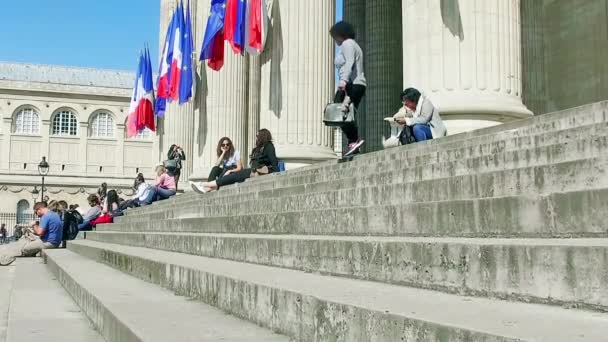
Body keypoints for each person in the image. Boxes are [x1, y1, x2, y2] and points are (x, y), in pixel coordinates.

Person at [190, 129, 279, 193]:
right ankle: (208, 187)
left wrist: (277, 173)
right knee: (218, 170)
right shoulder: (256, 149)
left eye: (257, 136)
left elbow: (274, 161)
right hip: (253, 171)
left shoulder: (269, 146)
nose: (256, 138)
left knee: (234, 175)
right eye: (223, 144)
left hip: (259, 171)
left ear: (262, 137)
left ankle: (204, 184)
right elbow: (216, 165)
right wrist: (223, 153)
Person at [330, 20, 367, 157]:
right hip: (356, 85)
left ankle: (354, 140)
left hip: (352, 84)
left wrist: (343, 80)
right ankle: (353, 142)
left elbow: (350, 62)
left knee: (340, 113)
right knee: (344, 114)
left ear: (340, 34)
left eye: (334, 36)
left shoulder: (347, 44)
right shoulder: (354, 45)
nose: (334, 40)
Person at [0, 202, 63, 266]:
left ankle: (6, 260)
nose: (37, 215)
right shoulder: (54, 215)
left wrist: (33, 224)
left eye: (36, 212)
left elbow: (39, 232)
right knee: (29, 240)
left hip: (49, 243)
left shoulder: (45, 216)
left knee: (25, 249)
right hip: (55, 242)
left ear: (39, 209)